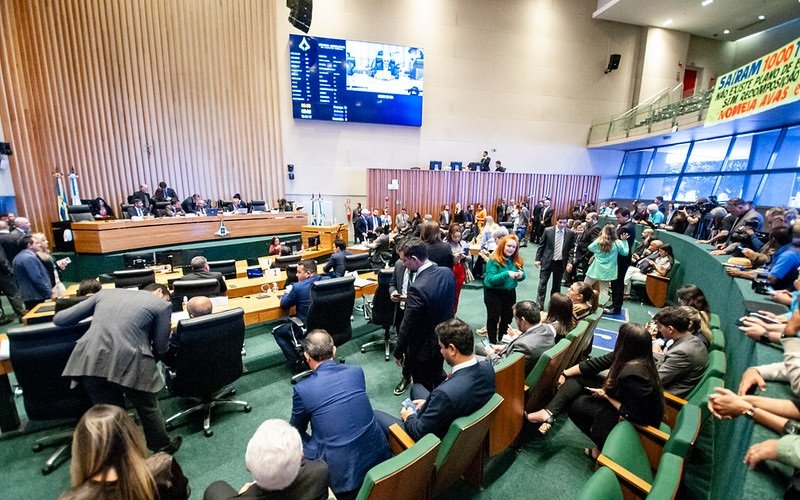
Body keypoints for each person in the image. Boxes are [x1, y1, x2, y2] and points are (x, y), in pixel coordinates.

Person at [55, 283, 181, 454]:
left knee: (110, 414)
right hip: (131, 360)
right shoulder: (162, 305)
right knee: (148, 407)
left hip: (90, 359)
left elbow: (60, 319)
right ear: (159, 291)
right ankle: (162, 447)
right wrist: (150, 359)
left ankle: (121, 454)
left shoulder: (105, 294)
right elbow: (161, 347)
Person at [526, 323, 664, 457]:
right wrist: (565, 373)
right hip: (624, 399)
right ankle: (548, 412)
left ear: (625, 343)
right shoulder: (632, 355)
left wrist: (606, 397)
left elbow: (634, 414)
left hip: (636, 423)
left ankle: (601, 446)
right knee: (577, 378)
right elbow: (593, 365)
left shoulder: (635, 374)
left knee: (577, 405)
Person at [290, 330, 390, 496]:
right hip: (380, 456)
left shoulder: (302, 389)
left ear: (307, 357)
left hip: (341, 478)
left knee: (290, 437)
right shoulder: (356, 372)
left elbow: (295, 429)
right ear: (334, 351)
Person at [375, 318, 496, 440]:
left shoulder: (444, 394)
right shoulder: (487, 367)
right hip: (468, 424)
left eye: (441, 347)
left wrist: (409, 416)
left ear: (452, 349)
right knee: (417, 388)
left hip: (436, 441)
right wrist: (429, 402)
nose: (441, 352)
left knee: (376, 415)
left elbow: (419, 433)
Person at [60, 404, 189, 500]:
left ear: (80, 449)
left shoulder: (74, 498)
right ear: (132, 436)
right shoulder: (164, 467)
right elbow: (184, 494)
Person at [204, 419, 329, 500]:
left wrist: (244, 493)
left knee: (215, 488)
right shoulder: (320, 471)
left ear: (248, 468)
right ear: (301, 455)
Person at [393, 237, 455, 391]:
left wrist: (398, 351)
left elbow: (407, 324)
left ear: (414, 259)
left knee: (422, 386)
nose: (404, 266)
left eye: (405, 261)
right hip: (443, 340)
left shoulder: (417, 288)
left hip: (422, 349)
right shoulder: (446, 272)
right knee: (437, 374)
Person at [272, 260, 327, 372]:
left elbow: (284, 305)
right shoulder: (328, 281)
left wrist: (287, 292)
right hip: (326, 324)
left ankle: (297, 363)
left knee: (278, 332)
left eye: (298, 272)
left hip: (306, 328)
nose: (296, 275)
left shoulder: (298, 287)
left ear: (307, 273)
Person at [481, 301, 555, 375]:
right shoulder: (547, 329)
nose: (515, 321)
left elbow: (505, 368)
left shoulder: (524, 346)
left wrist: (492, 354)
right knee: (481, 347)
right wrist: (504, 347)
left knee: (477, 353)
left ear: (523, 320)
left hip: (510, 377)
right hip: (524, 364)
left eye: (515, 318)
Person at [651, 306, 709, 397]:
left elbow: (655, 380)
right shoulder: (691, 339)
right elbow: (664, 360)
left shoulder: (682, 353)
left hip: (665, 399)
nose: (658, 330)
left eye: (659, 326)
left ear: (670, 329)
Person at [484, 235, 526, 344]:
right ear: (503, 246)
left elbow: (522, 274)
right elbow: (490, 279)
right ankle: (492, 342)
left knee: (507, 318)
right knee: (493, 318)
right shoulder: (494, 259)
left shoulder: (517, 259)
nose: (511, 249)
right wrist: (506, 274)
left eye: (514, 247)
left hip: (510, 292)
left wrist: (521, 275)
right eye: (509, 246)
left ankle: (502, 340)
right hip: (494, 293)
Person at [535, 214, 575, 307]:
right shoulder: (548, 231)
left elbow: (571, 249)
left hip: (560, 263)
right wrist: (537, 259)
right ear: (556, 221)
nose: (562, 224)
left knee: (556, 286)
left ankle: (554, 305)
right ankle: (539, 305)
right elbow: (541, 246)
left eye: (564, 223)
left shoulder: (570, 233)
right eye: (560, 222)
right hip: (547, 261)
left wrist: (569, 262)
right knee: (542, 283)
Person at [606, 208, 635, 315]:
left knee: (617, 284)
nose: (617, 219)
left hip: (621, 260)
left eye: (619, 217)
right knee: (615, 283)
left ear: (626, 216)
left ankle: (616, 307)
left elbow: (613, 240)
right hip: (621, 259)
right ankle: (615, 304)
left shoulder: (626, 228)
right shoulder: (627, 225)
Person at [12, 235, 54, 309]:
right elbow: (37, 279)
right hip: (36, 296)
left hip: (29, 296)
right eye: (37, 243)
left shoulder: (18, 257)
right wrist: (49, 293)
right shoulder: (29, 258)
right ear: (29, 245)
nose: (39, 244)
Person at [446, 224, 468, 312]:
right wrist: (453, 257)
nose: (457, 239)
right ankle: (447, 312)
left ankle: (454, 312)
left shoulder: (464, 243)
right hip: (449, 269)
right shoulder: (446, 244)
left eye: (459, 236)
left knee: (457, 293)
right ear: (450, 235)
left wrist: (463, 257)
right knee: (448, 293)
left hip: (460, 268)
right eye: (455, 237)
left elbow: (469, 257)